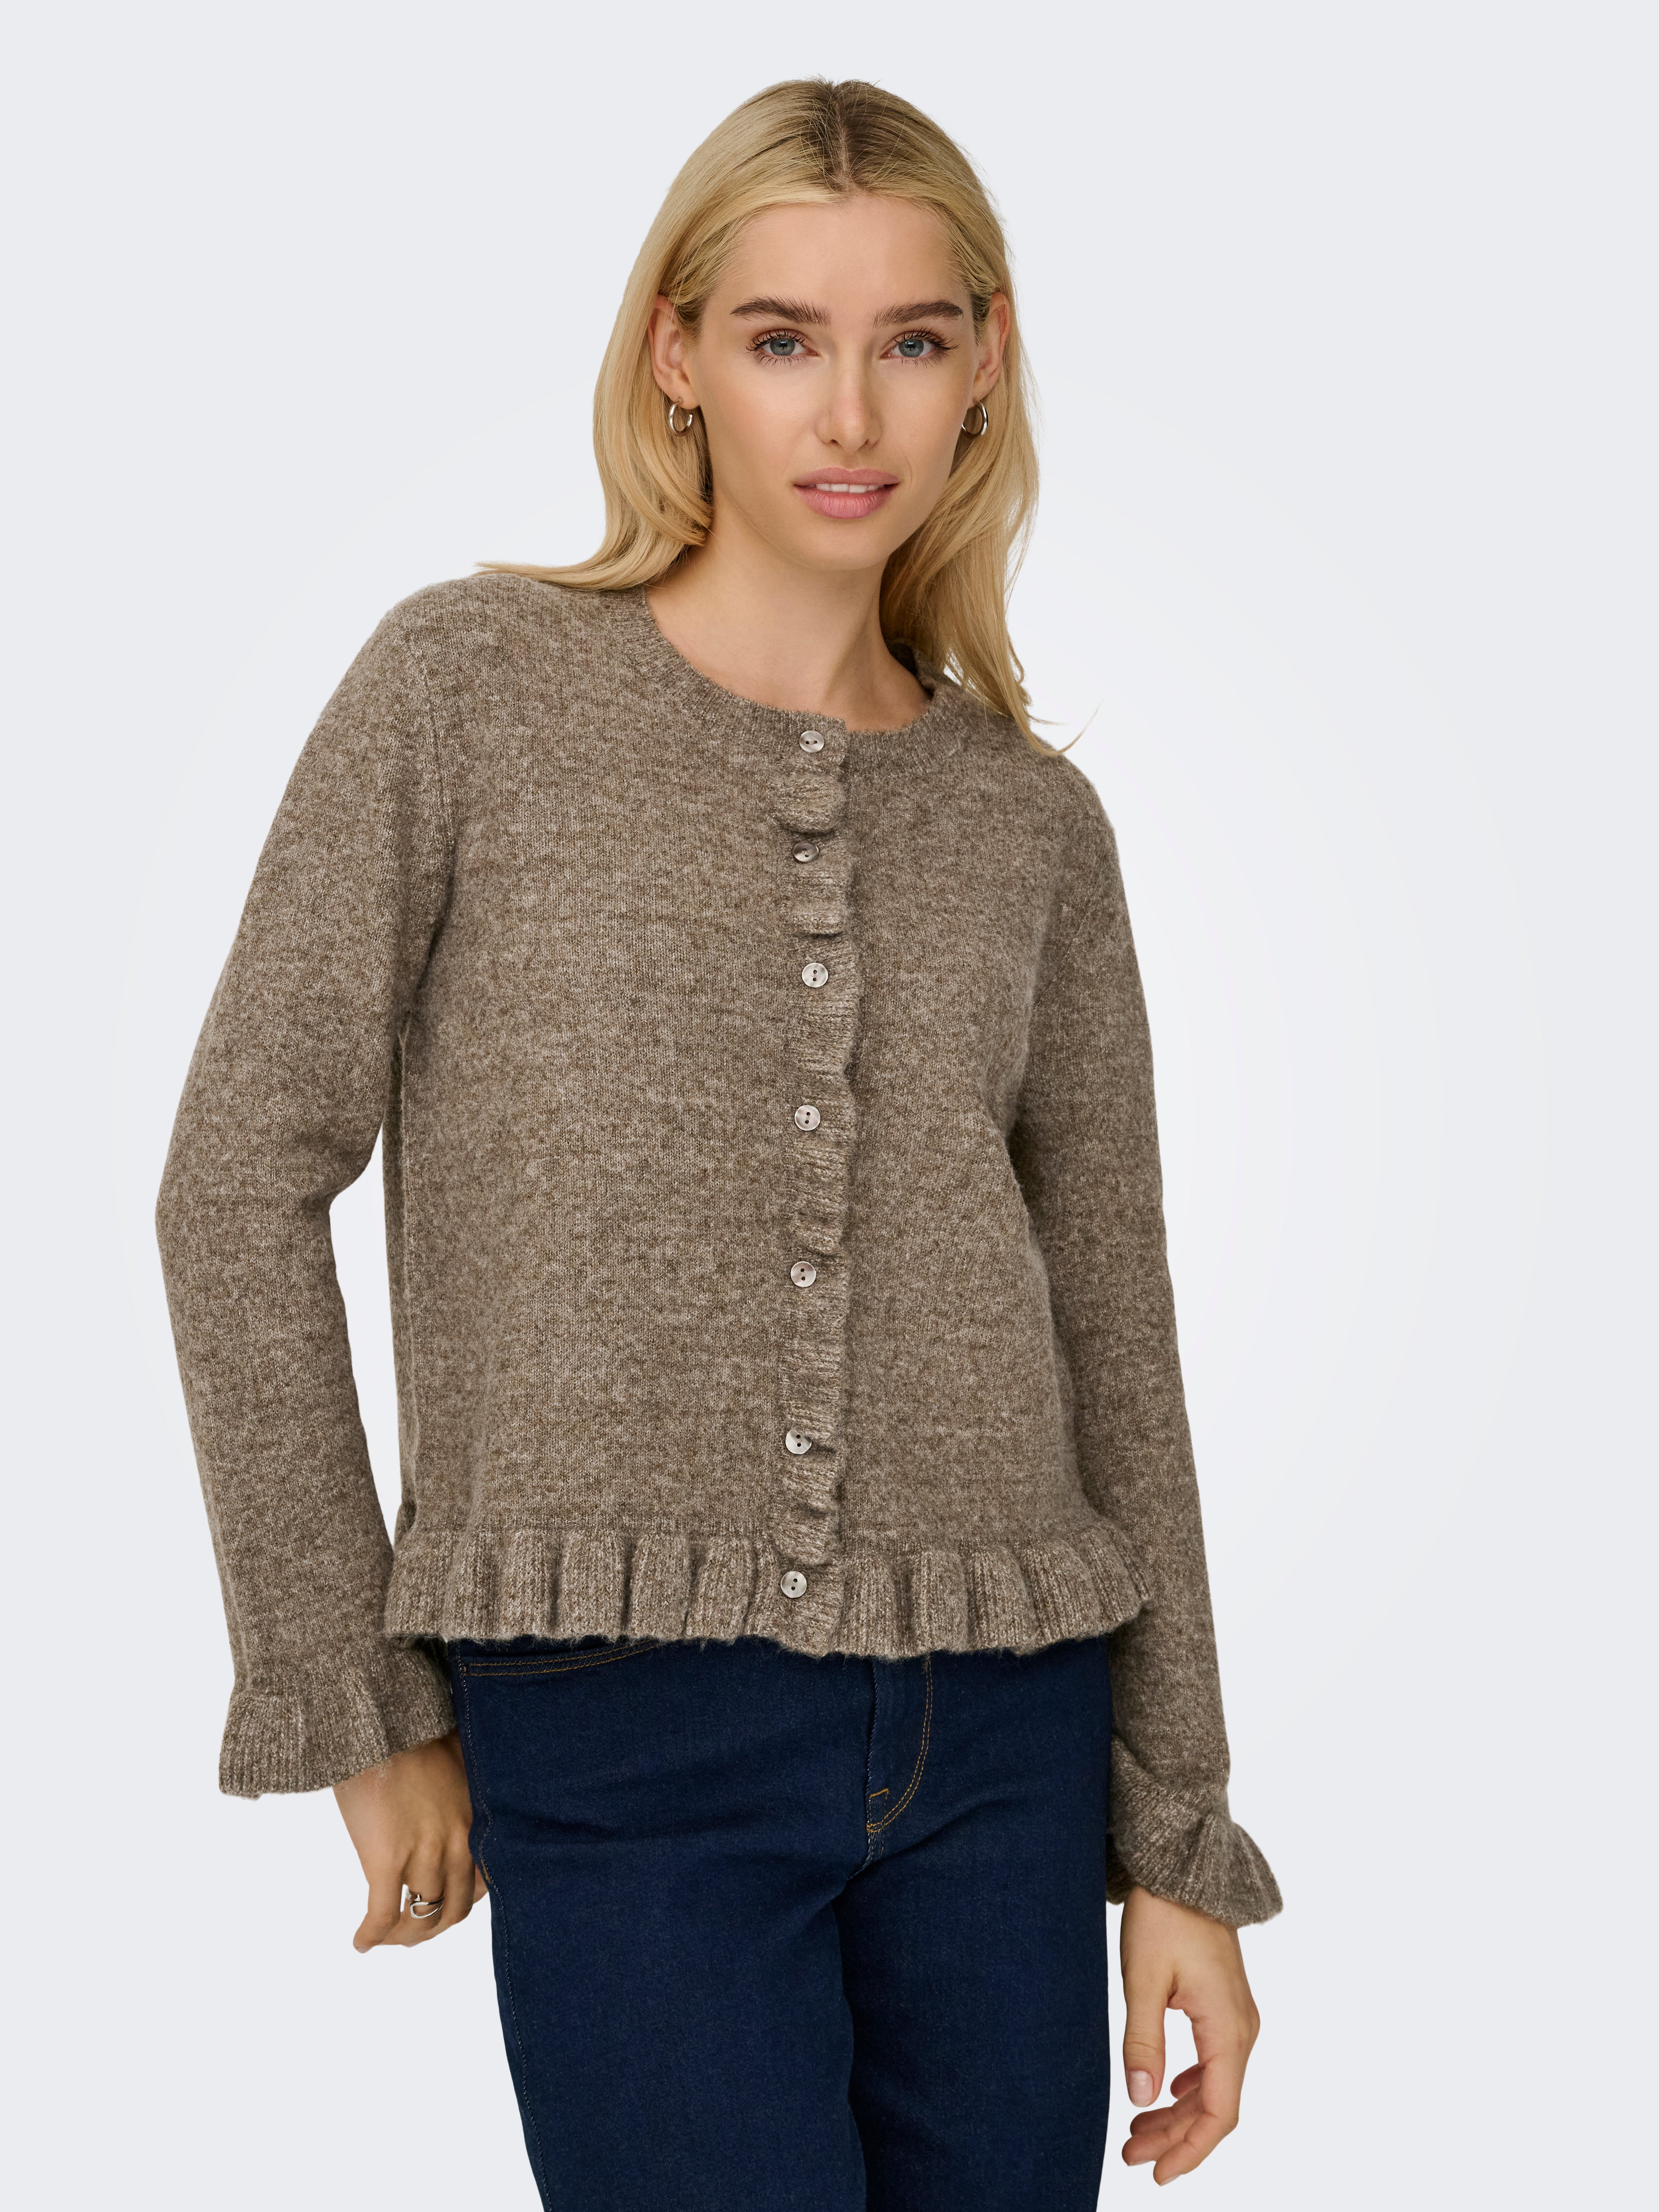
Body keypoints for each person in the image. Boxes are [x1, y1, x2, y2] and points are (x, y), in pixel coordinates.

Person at [156, 75, 1280, 2212]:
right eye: (781, 337)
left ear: (987, 360)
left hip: (1007, 1743)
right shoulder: (466, 692)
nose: (849, 411)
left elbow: (1114, 1328)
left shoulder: (1029, 820)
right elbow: (235, 1185)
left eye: (910, 338)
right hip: (620, 1727)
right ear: (675, 353)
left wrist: (1177, 1845)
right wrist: (356, 1699)